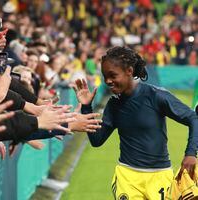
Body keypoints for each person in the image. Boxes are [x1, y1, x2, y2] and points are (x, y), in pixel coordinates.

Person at [73, 46, 198, 199]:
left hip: (160, 176)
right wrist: (86, 107)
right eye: (105, 76)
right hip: (127, 177)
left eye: (112, 75)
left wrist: (191, 153)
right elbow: (97, 140)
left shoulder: (156, 96)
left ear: (129, 71)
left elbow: (193, 118)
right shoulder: (114, 105)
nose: (108, 81)